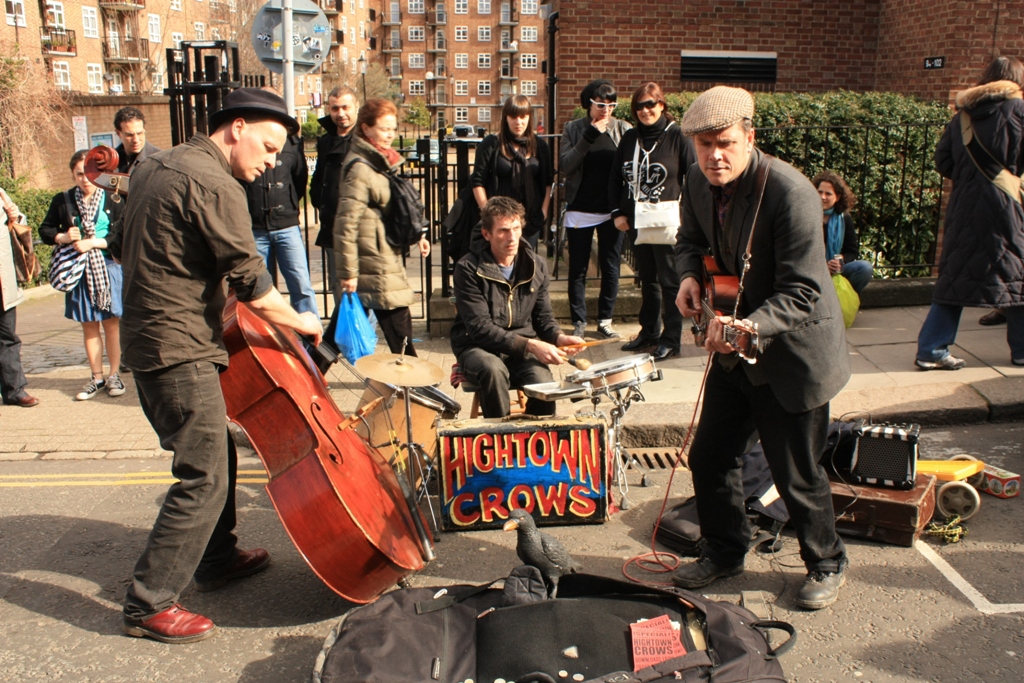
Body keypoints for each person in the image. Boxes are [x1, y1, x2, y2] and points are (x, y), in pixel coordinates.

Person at [114, 88, 323, 644]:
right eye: (269, 146)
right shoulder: (214, 182)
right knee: (203, 472)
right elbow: (253, 283)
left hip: (153, 341)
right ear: (237, 127)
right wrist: (304, 321)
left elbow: (119, 245)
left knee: (216, 453)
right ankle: (148, 603)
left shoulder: (156, 165)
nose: (273, 161)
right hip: (176, 347)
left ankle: (217, 557)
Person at [673, 86, 850, 610]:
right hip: (734, 350)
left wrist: (743, 326)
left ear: (750, 136)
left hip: (792, 356)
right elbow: (689, 241)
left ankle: (826, 561)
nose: (714, 156)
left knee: (797, 472)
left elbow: (803, 291)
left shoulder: (792, 193)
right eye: (703, 146)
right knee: (709, 457)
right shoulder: (699, 182)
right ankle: (726, 551)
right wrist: (688, 276)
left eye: (724, 143)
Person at [915, 56, 1024, 370]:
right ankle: (1021, 351)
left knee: (954, 280)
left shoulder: (963, 117)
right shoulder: (1020, 112)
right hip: (1010, 210)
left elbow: (942, 161)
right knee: (1017, 278)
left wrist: (970, 181)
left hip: (964, 209)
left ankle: (931, 351)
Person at [450, 196, 583, 418]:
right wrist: (532, 345)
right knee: (493, 370)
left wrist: (559, 337)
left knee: (544, 384)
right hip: (477, 347)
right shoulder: (468, 268)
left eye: (515, 228)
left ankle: (537, 443)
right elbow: (480, 328)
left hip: (520, 348)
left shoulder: (536, 265)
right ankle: (498, 437)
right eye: (503, 230)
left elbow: (543, 318)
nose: (511, 237)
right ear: (487, 234)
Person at [334, 98, 430, 356]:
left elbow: (395, 207)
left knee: (340, 334)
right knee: (402, 335)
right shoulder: (360, 167)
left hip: (381, 258)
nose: (390, 134)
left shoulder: (379, 162)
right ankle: (418, 391)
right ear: (366, 129)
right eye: (384, 128)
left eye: (393, 128)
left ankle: (308, 376)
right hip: (373, 264)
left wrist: (418, 233)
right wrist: (348, 273)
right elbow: (345, 225)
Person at [609, 82, 696, 361]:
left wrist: (689, 216)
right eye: (640, 106)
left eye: (651, 104)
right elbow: (615, 177)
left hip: (667, 219)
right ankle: (649, 333)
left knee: (670, 280)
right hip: (635, 218)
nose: (645, 110)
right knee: (647, 279)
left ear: (662, 105)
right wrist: (617, 212)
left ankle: (671, 339)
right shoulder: (630, 137)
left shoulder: (677, 137)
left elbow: (693, 179)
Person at [39, 150, 126, 401]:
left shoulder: (114, 198)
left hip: (107, 268)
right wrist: (62, 237)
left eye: (90, 173)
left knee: (111, 325)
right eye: (80, 174)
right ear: (73, 174)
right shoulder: (63, 199)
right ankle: (96, 377)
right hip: (79, 271)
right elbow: (45, 229)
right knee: (89, 327)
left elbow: (120, 234)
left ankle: (114, 375)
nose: (85, 179)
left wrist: (94, 243)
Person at [559, 79, 632, 340]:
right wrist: (589, 135)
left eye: (612, 105)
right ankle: (579, 321)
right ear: (589, 103)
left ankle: (605, 320)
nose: (606, 111)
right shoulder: (574, 128)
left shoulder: (623, 128)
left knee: (611, 266)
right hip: (581, 208)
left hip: (612, 211)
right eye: (601, 105)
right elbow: (566, 165)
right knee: (577, 268)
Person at [243, 126, 317, 315]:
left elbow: (299, 178)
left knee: (301, 286)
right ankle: (262, 336)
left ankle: (312, 341)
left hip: (287, 225)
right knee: (257, 289)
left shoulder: (292, 142)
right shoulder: (249, 139)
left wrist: (288, 203)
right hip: (255, 227)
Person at [470, 95, 554, 251]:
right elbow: (478, 182)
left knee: (526, 266)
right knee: (501, 267)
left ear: (529, 117)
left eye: (523, 117)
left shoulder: (539, 146)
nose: (518, 122)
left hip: (530, 219)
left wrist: (543, 212)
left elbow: (547, 181)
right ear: (506, 118)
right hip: (500, 220)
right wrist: (488, 214)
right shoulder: (492, 144)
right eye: (513, 117)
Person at [310, 86, 360, 303]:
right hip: (332, 227)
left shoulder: (367, 138)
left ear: (356, 107)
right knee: (338, 287)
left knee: (364, 289)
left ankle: (364, 336)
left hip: (360, 229)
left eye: (346, 107)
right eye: (335, 108)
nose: (341, 113)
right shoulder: (325, 142)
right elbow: (319, 176)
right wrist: (318, 199)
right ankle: (347, 335)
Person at [1, 187, 39, 408]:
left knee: (8, 337)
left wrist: (16, 216)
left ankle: (14, 390)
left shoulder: (1, 193)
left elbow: (16, 225)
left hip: (4, 281)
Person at [811, 171, 873, 294]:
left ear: (837, 197)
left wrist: (840, 262)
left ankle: (840, 299)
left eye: (828, 194)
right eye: (820, 192)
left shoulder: (844, 219)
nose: (823, 197)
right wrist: (823, 266)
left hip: (836, 270)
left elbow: (851, 251)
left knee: (864, 268)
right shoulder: (807, 215)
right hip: (811, 268)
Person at [113, 106, 159, 175]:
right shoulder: (111, 160)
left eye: (139, 133)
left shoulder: (159, 160)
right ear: (118, 133)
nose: (136, 140)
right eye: (129, 135)